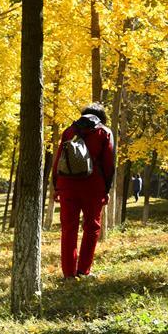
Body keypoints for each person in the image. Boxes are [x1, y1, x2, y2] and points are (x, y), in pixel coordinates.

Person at [51, 103, 115, 279]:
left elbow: (58, 161)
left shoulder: (69, 131)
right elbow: (109, 165)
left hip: (67, 186)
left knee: (69, 229)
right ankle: (83, 270)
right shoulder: (105, 132)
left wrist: (57, 187)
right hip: (93, 187)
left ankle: (69, 274)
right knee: (92, 227)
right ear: (102, 118)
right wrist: (106, 189)